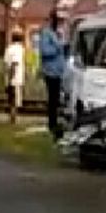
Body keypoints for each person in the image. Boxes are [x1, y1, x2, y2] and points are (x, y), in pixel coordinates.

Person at [38, 10, 67, 139]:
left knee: (59, 99)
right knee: (53, 99)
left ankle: (57, 121)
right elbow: (45, 51)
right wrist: (58, 47)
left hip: (60, 71)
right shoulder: (46, 33)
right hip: (51, 71)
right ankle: (52, 123)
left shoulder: (58, 34)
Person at [3, 29, 27, 126]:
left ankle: (12, 119)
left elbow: (9, 64)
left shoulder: (9, 49)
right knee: (15, 100)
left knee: (12, 100)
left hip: (12, 78)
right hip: (17, 78)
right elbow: (15, 63)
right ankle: (13, 119)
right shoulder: (21, 49)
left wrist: (7, 78)